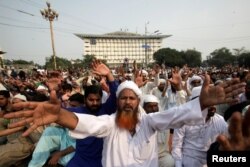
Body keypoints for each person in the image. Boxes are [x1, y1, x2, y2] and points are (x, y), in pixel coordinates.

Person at [4, 74, 246, 166]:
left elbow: (174, 115)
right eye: (123, 98)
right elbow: (88, 124)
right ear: (117, 101)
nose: (128, 102)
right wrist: (59, 114)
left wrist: (202, 103)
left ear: (137, 101)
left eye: (132, 98)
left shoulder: (150, 122)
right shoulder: (109, 123)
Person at [172, 86, 228, 167]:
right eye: (209, 103)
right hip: (189, 159)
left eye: (213, 102)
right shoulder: (184, 120)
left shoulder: (220, 120)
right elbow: (177, 146)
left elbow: (228, 140)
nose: (212, 106)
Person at [142, 94, 175, 167]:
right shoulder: (140, 123)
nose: (153, 109)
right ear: (144, 108)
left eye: (155, 106)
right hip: (144, 157)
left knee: (170, 161)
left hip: (161, 155)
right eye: (150, 107)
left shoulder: (164, 121)